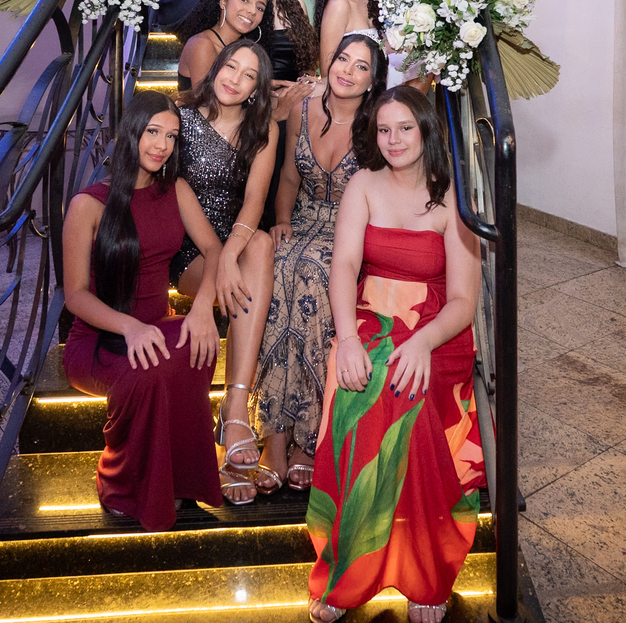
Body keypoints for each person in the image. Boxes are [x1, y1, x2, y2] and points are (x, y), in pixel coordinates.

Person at [306, 85, 485, 623]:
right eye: (384, 129)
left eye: (405, 127)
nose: (394, 139)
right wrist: (347, 338)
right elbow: (344, 265)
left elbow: (464, 301)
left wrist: (423, 341)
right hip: (370, 316)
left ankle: (425, 571)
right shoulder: (363, 185)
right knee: (361, 384)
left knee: (405, 391)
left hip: (436, 327)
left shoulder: (453, 196)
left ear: (426, 129)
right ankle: (347, 569)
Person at [61, 90, 224, 533]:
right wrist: (130, 327)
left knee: (198, 345)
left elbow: (213, 249)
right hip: (99, 342)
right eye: (153, 132)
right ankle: (119, 482)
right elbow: (75, 295)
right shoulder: (88, 204)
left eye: (171, 136)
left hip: (157, 329)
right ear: (130, 132)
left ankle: (181, 478)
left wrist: (203, 307)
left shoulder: (176, 190)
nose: (162, 145)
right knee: (150, 369)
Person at [250, 34, 388, 495]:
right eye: (342, 59)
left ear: (373, 81)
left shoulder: (378, 123)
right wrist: (281, 220)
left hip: (352, 230)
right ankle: (275, 433)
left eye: (361, 66)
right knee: (277, 266)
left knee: (311, 274)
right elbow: (289, 176)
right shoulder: (302, 108)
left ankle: (310, 436)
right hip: (302, 218)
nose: (347, 70)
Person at [172, 39, 279, 506]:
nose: (235, 79)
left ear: (257, 88)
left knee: (261, 244)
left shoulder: (263, 129)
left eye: (248, 74)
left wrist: (231, 256)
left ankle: (235, 404)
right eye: (230, 67)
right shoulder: (180, 118)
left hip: (236, 240)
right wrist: (220, 260)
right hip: (188, 247)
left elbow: (255, 200)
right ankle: (234, 419)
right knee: (252, 272)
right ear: (215, 68)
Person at [219, 0, 319, 230]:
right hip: (259, 110)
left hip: (296, 103)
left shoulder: (297, 6)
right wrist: (273, 96)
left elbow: (305, 64)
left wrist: (306, 84)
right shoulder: (243, 18)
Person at [176, 0, 275, 92]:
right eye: (244, 0)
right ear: (223, 1)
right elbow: (207, 100)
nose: (252, 11)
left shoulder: (245, 50)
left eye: (260, 8)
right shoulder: (202, 45)